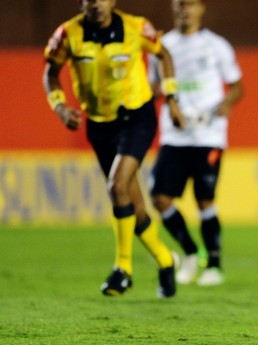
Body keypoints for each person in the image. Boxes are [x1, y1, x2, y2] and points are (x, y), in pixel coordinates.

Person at [43, 0, 183, 298]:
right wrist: (59, 107)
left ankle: (123, 269)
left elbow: (164, 54)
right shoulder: (68, 34)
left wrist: (171, 99)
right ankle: (165, 260)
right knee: (131, 204)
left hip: (136, 117)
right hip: (99, 124)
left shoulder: (135, 27)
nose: (97, 4)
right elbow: (51, 72)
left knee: (116, 185)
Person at [149, 0, 243, 286]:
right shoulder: (162, 46)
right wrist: (164, 96)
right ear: (172, 8)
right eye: (179, 5)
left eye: (189, 4)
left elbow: (237, 86)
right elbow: (152, 86)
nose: (184, 10)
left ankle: (214, 265)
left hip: (208, 135)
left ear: (201, 8)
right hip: (174, 134)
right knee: (159, 197)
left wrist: (226, 103)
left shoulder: (216, 45)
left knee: (205, 199)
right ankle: (190, 252)